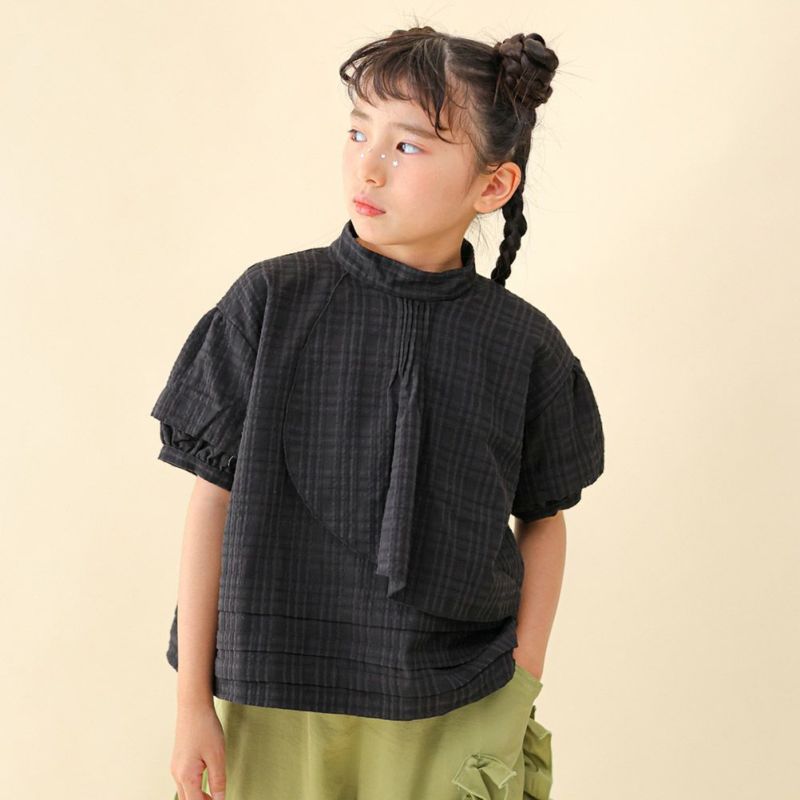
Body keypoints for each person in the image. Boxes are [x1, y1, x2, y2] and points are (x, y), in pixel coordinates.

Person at [153, 23, 605, 800]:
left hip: (456, 703)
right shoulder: (271, 302)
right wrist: (192, 700)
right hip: (274, 697)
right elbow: (212, 502)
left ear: (493, 186)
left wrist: (521, 678)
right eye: (359, 131)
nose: (368, 165)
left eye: (409, 145)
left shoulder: (523, 345)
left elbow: (545, 518)